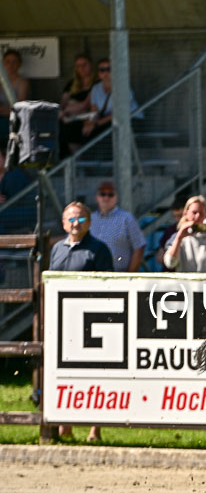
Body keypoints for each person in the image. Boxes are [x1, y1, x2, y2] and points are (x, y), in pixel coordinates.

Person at [49, 201, 113, 443]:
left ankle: (95, 429)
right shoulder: (56, 249)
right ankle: (65, 425)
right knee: (64, 374)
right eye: (71, 219)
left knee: (94, 375)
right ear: (65, 223)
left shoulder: (99, 249)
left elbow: (109, 286)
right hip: (63, 321)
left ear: (89, 222)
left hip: (92, 322)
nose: (76, 223)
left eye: (81, 219)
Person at [81, 58, 142, 144]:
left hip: (131, 120)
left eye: (109, 69)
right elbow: (94, 111)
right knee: (87, 132)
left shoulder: (123, 86)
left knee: (106, 132)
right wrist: (89, 124)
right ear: (98, 73)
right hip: (108, 120)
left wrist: (97, 124)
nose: (106, 73)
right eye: (102, 70)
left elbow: (120, 112)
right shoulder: (96, 88)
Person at [89, 181, 145, 272]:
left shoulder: (127, 218)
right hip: (93, 275)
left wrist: (130, 275)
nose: (106, 198)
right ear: (97, 197)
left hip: (119, 275)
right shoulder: (90, 219)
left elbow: (139, 246)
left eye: (110, 194)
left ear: (116, 198)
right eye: (102, 194)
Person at [163, 195, 206, 272]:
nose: (197, 216)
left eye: (201, 213)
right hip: (184, 283)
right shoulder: (177, 237)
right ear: (186, 213)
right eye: (194, 212)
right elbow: (170, 263)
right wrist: (179, 238)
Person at [58, 54, 96, 156]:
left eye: (84, 65)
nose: (81, 69)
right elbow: (63, 101)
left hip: (85, 117)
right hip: (68, 116)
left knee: (71, 128)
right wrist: (62, 111)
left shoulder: (96, 83)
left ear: (91, 65)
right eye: (78, 66)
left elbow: (85, 104)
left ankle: (78, 163)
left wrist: (67, 110)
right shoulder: (72, 83)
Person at [0, 49, 30, 119]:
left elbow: (19, 107)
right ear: (3, 63)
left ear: (19, 64)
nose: (11, 65)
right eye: (8, 62)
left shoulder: (22, 82)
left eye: (14, 62)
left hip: (16, 119)